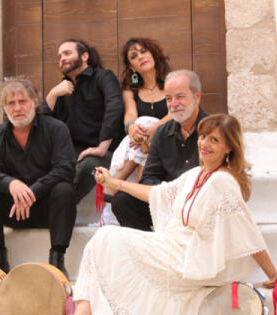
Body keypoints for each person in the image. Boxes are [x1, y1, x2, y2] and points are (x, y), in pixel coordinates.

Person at [55, 114, 277, 315]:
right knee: (104, 239)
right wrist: (113, 183)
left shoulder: (223, 183)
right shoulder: (197, 174)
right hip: (172, 246)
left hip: (189, 259)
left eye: (214, 140)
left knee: (107, 238)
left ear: (229, 148)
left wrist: (274, 276)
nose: (204, 144)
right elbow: (157, 194)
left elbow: (248, 233)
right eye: (203, 136)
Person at [0, 77, 76, 278]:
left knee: (64, 189)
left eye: (22, 101)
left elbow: (65, 169)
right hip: (13, 211)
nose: (17, 108)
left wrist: (32, 191)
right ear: (5, 108)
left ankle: (57, 261)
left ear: (35, 102)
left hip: (46, 210)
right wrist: (11, 184)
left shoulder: (56, 129)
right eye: (11, 103)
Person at [111, 69, 209, 231]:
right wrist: (167, 193)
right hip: (167, 201)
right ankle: (151, 244)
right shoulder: (162, 132)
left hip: (199, 204)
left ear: (197, 96)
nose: (173, 104)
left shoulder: (213, 130)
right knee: (122, 201)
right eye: (168, 98)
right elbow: (148, 177)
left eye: (180, 97)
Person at [42, 38, 124, 204]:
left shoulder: (103, 77)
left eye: (67, 53)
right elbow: (43, 124)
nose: (62, 59)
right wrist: (52, 94)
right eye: (59, 56)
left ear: (84, 56)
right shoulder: (61, 89)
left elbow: (114, 108)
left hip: (105, 150)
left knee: (87, 167)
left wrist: (101, 147)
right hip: (72, 151)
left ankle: (57, 208)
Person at [108, 37, 171, 192]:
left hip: (168, 137)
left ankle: (111, 187)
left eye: (143, 51)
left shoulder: (172, 82)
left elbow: (175, 114)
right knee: (140, 125)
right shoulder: (131, 89)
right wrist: (131, 128)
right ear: (132, 67)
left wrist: (153, 130)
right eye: (134, 56)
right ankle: (139, 187)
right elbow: (130, 113)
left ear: (153, 54)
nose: (141, 57)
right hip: (140, 143)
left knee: (145, 122)